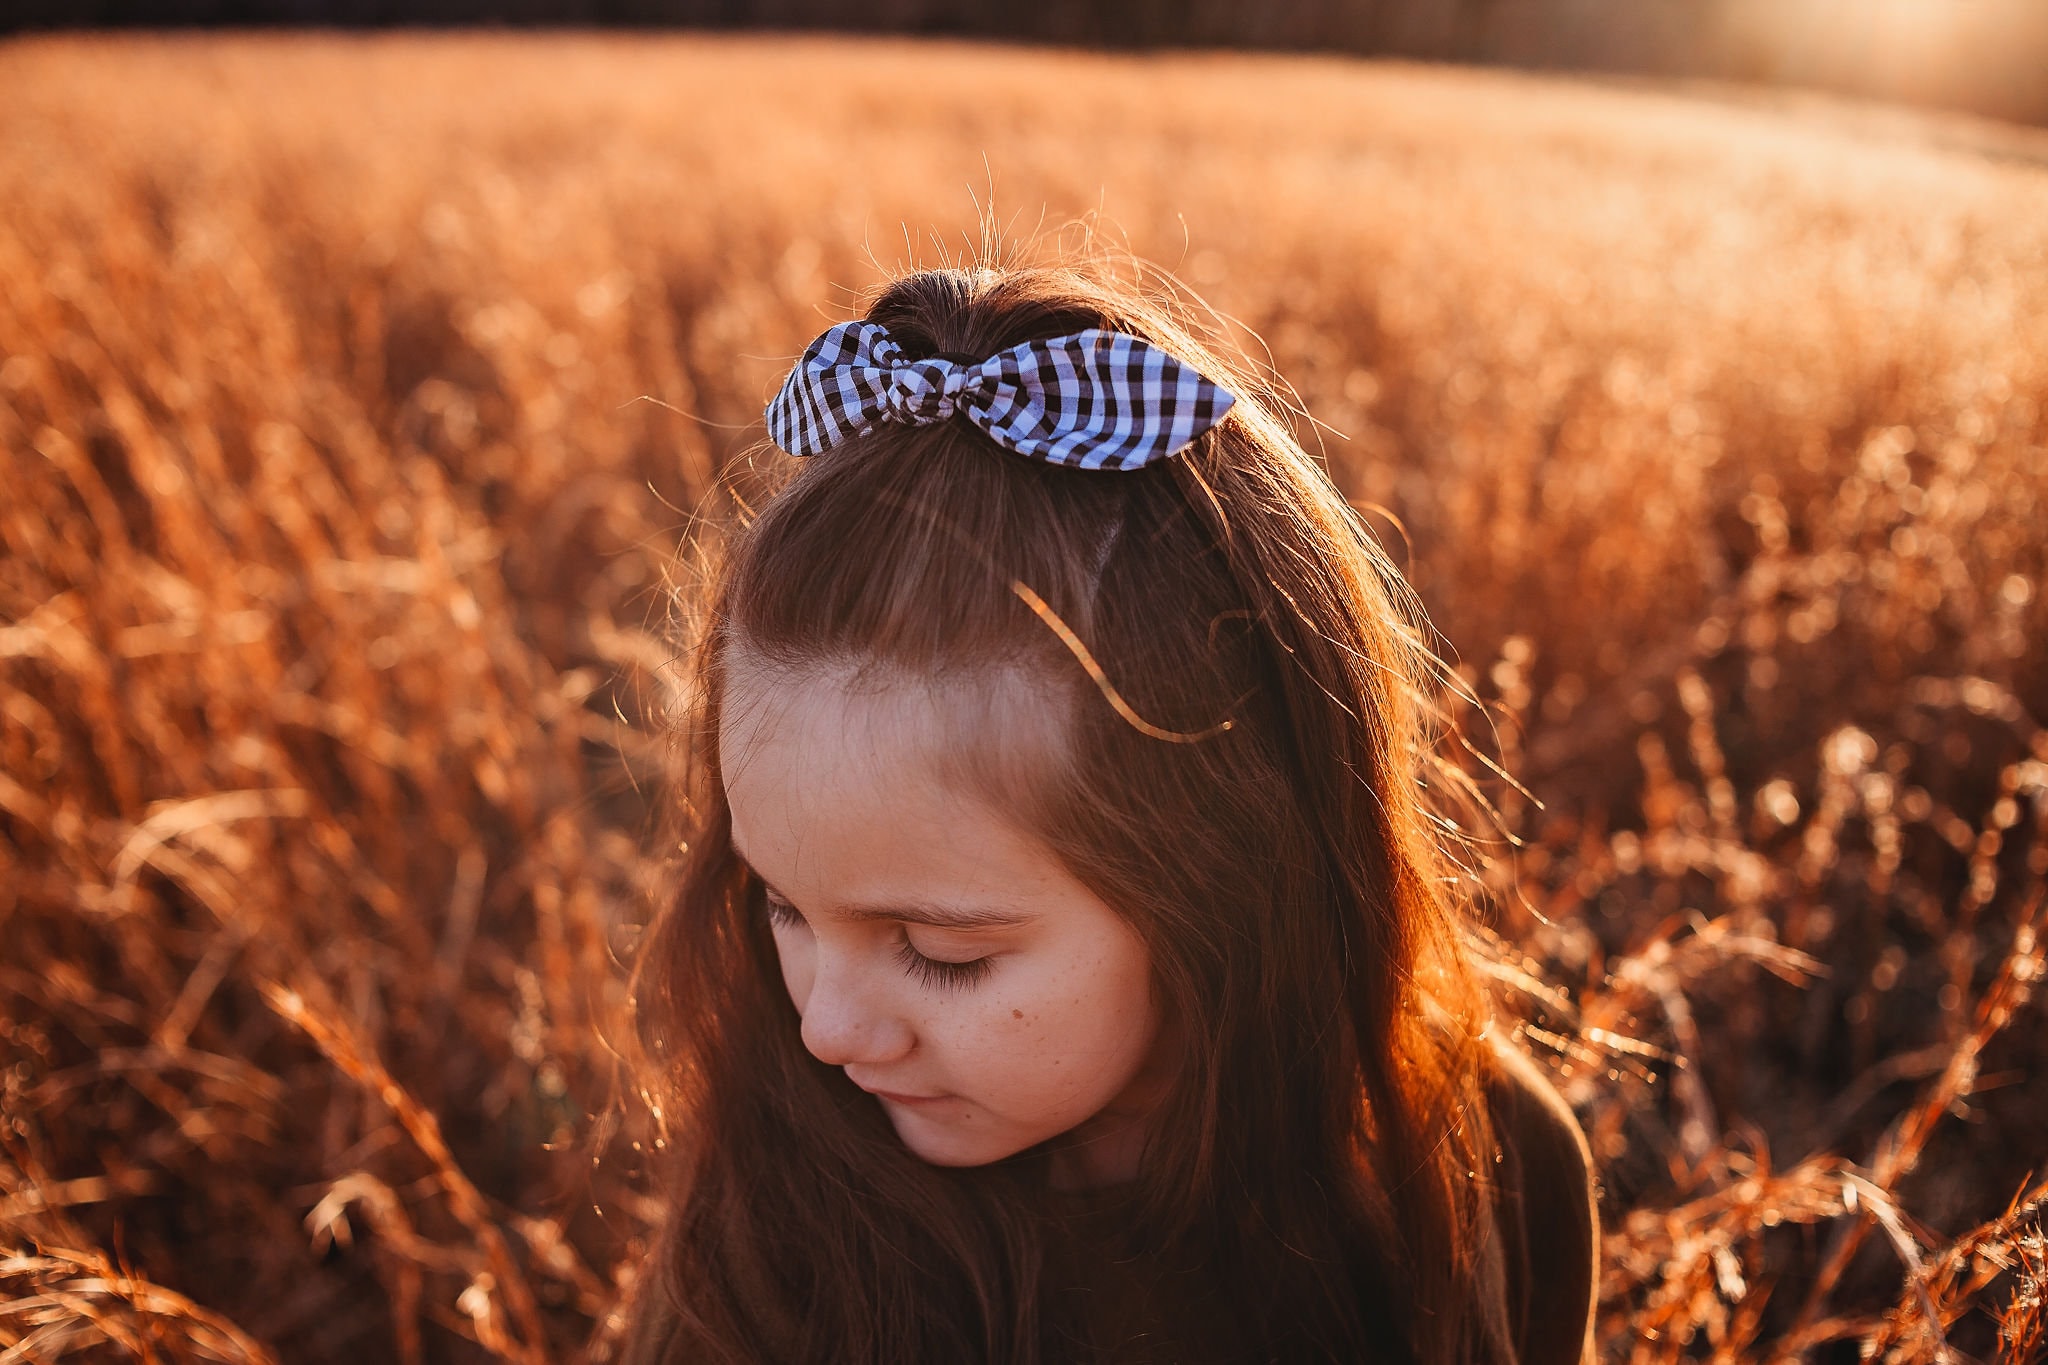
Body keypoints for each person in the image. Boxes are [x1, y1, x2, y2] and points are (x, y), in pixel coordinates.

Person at [623, 261, 1600, 1365]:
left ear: (1223, 884)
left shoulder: (1481, 1166)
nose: (824, 1029)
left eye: (940, 952)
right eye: (780, 905)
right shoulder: (773, 1244)